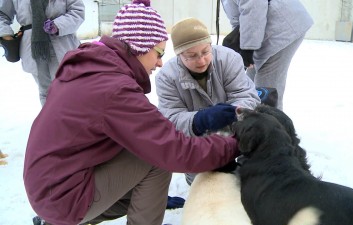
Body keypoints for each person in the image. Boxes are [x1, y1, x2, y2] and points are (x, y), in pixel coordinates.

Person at [23, 1, 239, 225]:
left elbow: (144, 127)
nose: (159, 62)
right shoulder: (113, 88)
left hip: (49, 184)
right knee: (156, 160)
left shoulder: (92, 67)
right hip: (62, 197)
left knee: (146, 160)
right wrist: (234, 144)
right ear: (140, 46)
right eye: (158, 52)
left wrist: (154, 197)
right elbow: (174, 150)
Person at [155, 17, 260, 185]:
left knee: (242, 185)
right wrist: (198, 120)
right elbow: (171, 119)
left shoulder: (228, 59)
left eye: (205, 51)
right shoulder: (167, 78)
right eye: (192, 56)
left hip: (235, 139)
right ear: (179, 55)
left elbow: (248, 96)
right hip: (197, 148)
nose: (202, 60)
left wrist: (233, 112)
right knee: (203, 187)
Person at [220, 0, 314, 110]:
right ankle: (252, 121)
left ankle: (272, 124)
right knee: (249, 84)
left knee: (265, 91)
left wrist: (247, 48)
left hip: (282, 27)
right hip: (265, 31)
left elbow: (254, 7)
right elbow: (240, 18)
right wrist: (239, 45)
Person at [0, 0, 85, 106]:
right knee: (45, 92)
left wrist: (58, 25)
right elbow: (2, 14)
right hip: (34, 48)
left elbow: (77, 11)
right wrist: (5, 34)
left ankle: (71, 120)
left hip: (63, 45)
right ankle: (50, 121)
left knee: (69, 89)